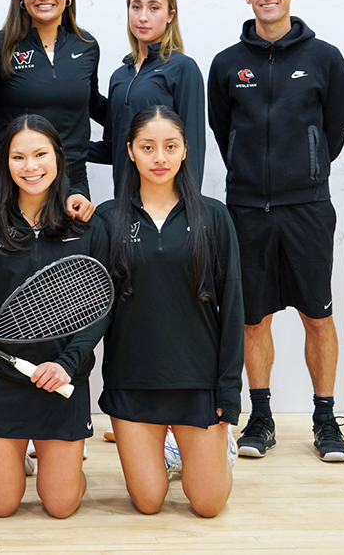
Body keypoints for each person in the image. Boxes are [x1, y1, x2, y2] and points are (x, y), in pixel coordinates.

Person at [206, 0, 344, 462]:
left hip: (308, 206)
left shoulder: (325, 58)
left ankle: (326, 420)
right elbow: (224, 133)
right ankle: (260, 418)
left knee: (317, 315)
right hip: (246, 209)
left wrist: (305, 169)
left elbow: (334, 131)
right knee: (253, 320)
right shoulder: (227, 64)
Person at [96, 105, 243, 517]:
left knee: (209, 505)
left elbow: (232, 309)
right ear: (129, 151)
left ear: (184, 152)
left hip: (197, 382)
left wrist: (227, 394)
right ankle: (172, 452)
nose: (159, 158)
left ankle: (214, 447)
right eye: (148, 147)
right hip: (133, 381)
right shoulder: (108, 219)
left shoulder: (214, 216)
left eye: (169, 146)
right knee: (148, 502)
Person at [0, 115, 110, 519]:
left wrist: (66, 365)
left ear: (59, 157)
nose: (30, 167)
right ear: (5, 163)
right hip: (2, 377)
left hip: (62, 378)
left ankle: (58, 464)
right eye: (18, 157)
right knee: (1, 503)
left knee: (61, 504)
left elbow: (100, 308)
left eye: (40, 154)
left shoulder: (86, 225)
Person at [0, 0, 104, 221]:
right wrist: (11, 147)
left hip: (70, 182)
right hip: (7, 178)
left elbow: (92, 104)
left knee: (67, 261)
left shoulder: (87, 46)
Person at [89, 0, 206, 194]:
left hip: (166, 204)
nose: (143, 17)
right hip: (124, 203)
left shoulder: (183, 68)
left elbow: (193, 149)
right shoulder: (120, 76)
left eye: (154, 8)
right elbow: (113, 148)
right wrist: (64, 147)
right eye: (136, 7)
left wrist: (188, 212)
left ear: (170, 15)